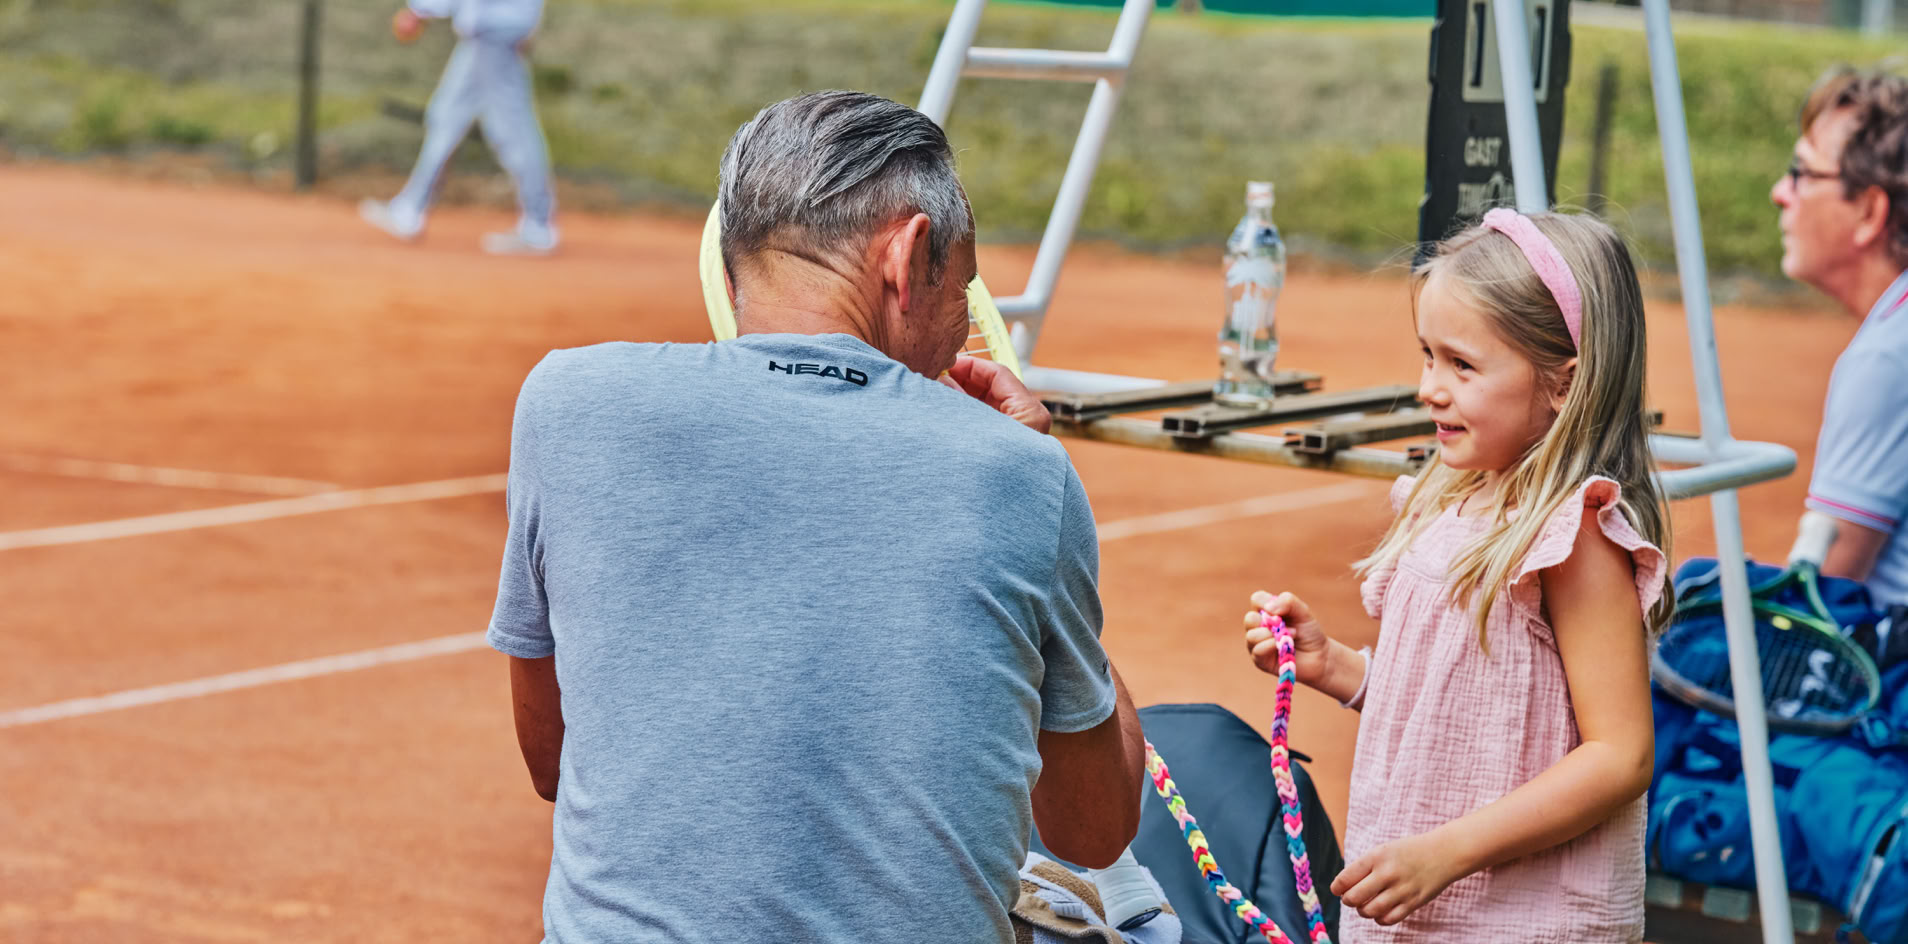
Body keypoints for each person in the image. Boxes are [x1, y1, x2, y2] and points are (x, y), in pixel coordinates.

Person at [485, 90, 1145, 943]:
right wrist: (1037, 488)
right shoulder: (1016, 472)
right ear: (908, 257)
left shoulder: (564, 405)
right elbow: (1093, 830)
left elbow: (552, 762)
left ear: (731, 267)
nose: (960, 334)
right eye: (965, 289)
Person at [1241, 210, 1672, 942]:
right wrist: (1342, 669)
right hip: (1423, 905)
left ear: (1563, 385)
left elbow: (1619, 755)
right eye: (1427, 356)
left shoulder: (1573, 538)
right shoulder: (1457, 496)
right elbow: (1468, 710)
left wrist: (1446, 854)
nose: (1429, 388)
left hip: (1526, 922)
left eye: (1461, 365)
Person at [1772, 66, 1908, 623]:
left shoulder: (1888, 354)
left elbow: (1819, 602)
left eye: (1802, 173)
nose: (1782, 193)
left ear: (1870, 212)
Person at [360, 0, 558, 255]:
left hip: (494, 32)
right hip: (493, 31)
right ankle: (410, 206)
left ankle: (538, 224)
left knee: (513, 129)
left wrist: (421, 11)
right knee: (446, 116)